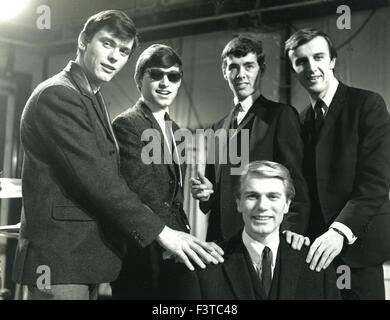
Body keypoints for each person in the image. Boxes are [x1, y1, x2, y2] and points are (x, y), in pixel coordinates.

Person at [13, 10, 220, 300]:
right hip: (59, 259)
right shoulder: (58, 95)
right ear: (84, 41)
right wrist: (164, 233)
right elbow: (99, 180)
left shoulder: (91, 96)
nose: (114, 57)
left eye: (123, 51)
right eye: (107, 44)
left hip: (85, 257)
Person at [111, 44, 223, 299]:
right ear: (140, 79)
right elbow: (140, 193)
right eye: (156, 75)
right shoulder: (127, 124)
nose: (165, 83)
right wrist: (179, 238)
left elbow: (171, 193)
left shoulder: (178, 131)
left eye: (173, 76)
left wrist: (202, 193)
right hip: (143, 249)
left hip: (174, 242)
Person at [285, 28, 390, 299]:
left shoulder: (367, 104)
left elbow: (375, 183)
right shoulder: (301, 121)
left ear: (332, 60)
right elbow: (301, 190)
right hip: (316, 255)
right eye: (301, 61)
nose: (311, 67)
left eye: (318, 57)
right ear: (294, 68)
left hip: (358, 249)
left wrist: (339, 232)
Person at [191, 34, 310, 247]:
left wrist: (291, 232)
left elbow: (296, 183)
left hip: (262, 239)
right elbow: (211, 199)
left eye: (249, 66)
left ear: (261, 69)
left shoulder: (281, 116)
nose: (241, 75)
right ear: (224, 72)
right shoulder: (216, 128)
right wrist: (205, 194)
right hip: (220, 241)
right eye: (233, 67)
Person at [178, 160, 340, 300]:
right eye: (252, 196)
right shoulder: (206, 268)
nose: (262, 206)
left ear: (287, 204)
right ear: (238, 203)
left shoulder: (316, 264)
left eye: (273, 197)